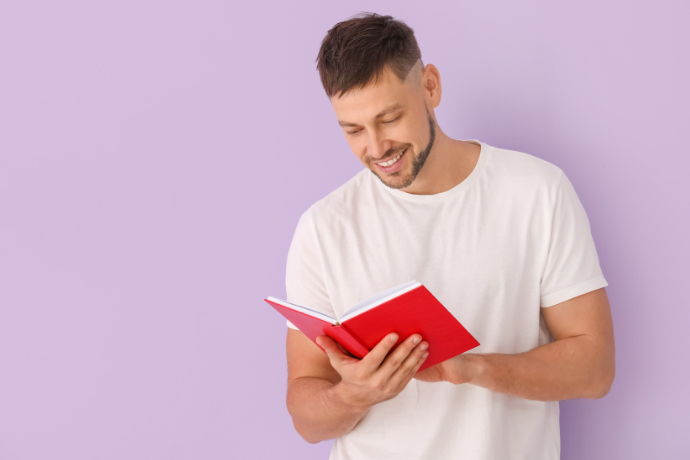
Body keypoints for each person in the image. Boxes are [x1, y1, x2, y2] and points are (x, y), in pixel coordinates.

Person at [283, 12, 615, 460]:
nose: (377, 148)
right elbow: (306, 417)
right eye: (354, 130)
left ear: (431, 86)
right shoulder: (324, 229)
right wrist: (353, 395)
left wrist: (472, 368)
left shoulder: (537, 192)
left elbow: (595, 369)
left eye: (390, 118)